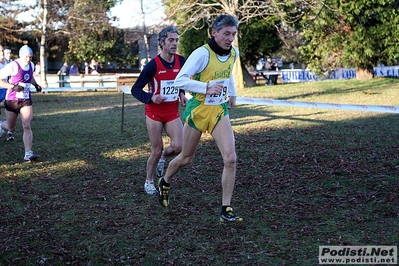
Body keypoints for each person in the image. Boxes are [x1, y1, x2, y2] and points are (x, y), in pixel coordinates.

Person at [158, 14, 243, 224]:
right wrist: (205, 87)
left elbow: (228, 73)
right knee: (185, 158)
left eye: (233, 34)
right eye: (226, 34)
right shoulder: (201, 54)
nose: (230, 38)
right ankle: (165, 181)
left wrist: (231, 93)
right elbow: (180, 81)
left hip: (219, 110)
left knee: (230, 158)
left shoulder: (234, 52)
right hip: (198, 110)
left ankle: (226, 209)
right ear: (214, 33)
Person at [131, 26, 187, 195]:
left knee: (179, 146)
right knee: (155, 149)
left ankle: (164, 156)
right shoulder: (152, 65)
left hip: (172, 111)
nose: (174, 43)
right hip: (154, 112)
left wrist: (182, 94)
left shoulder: (181, 61)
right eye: (171, 40)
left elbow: (182, 82)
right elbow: (136, 89)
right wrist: (151, 97)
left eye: (176, 40)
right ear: (162, 43)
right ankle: (149, 181)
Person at [0, 45, 42, 162]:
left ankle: (28, 153)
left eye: (31, 57)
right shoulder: (13, 65)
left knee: (27, 125)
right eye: (27, 57)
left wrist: (36, 84)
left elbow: (30, 76)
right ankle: (1, 125)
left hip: (25, 100)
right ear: (21, 56)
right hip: (12, 100)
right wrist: (13, 87)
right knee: (11, 127)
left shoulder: (31, 65)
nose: (29, 59)